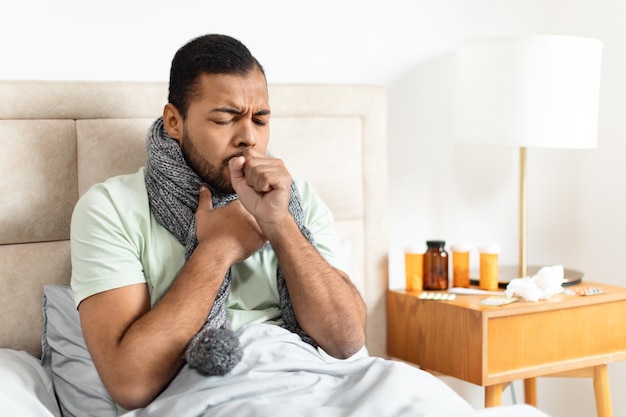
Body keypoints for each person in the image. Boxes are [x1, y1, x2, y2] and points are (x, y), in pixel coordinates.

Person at [70, 34, 366, 411]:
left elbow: (347, 340)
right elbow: (130, 383)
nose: (249, 138)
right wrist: (218, 248)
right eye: (226, 119)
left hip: (323, 388)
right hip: (210, 397)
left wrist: (280, 224)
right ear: (174, 121)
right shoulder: (110, 208)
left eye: (260, 119)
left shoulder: (298, 198)